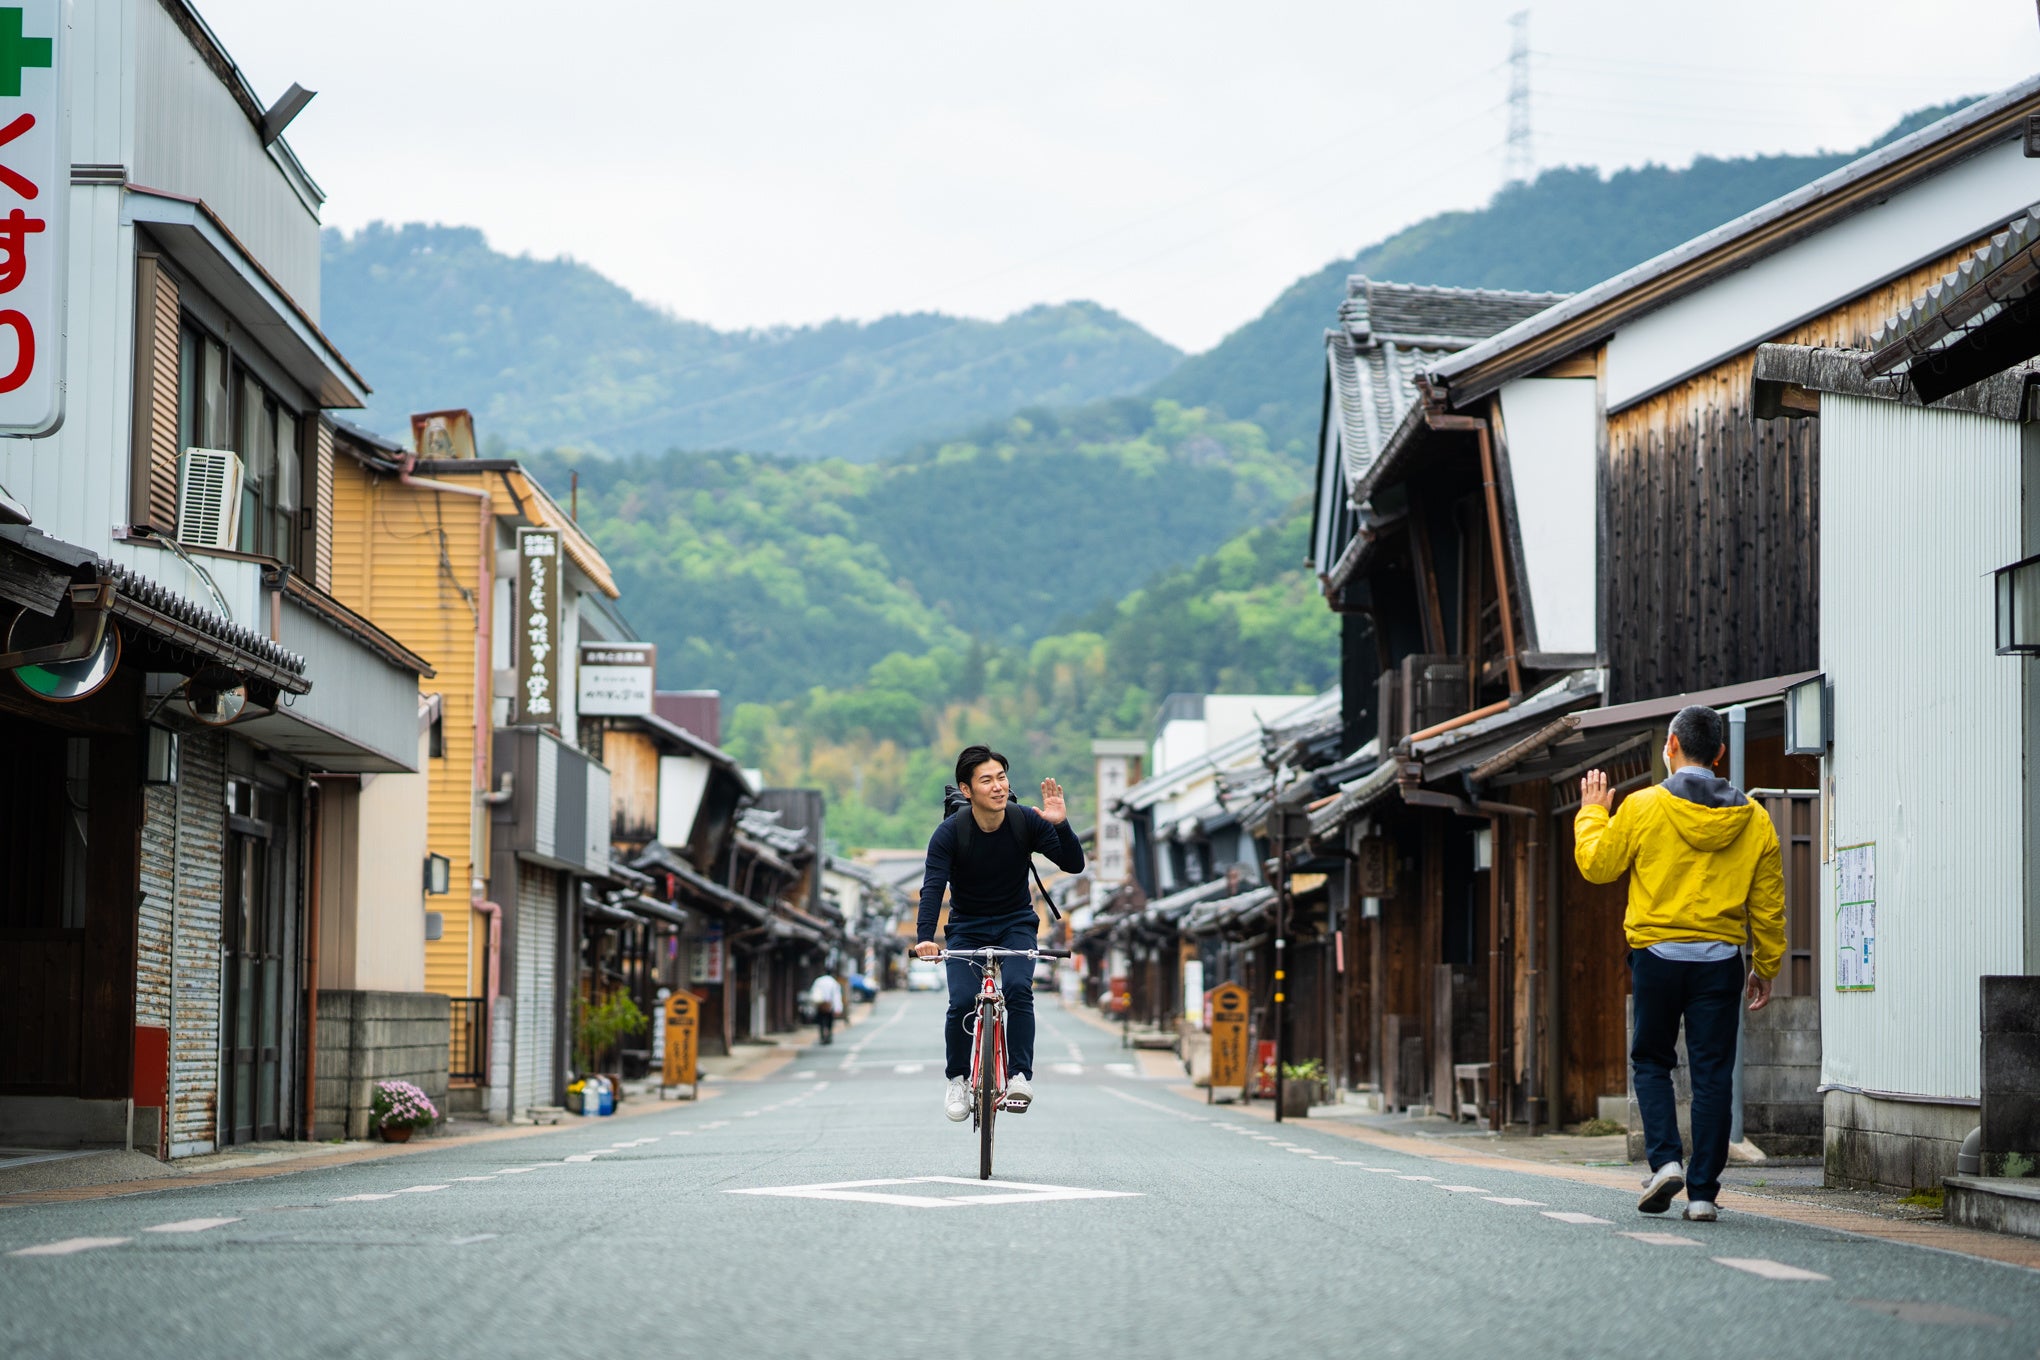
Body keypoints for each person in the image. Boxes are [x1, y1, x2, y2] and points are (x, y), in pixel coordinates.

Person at [1576, 705, 1785, 1223]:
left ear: (1671, 745)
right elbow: (1768, 904)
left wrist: (1593, 812)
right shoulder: (1754, 818)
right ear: (1719, 753)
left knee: (1652, 1061)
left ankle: (1666, 1162)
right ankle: (1702, 1194)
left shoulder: (1643, 805)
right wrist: (1766, 965)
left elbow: (1598, 866)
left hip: (1658, 956)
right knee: (1713, 1074)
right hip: (1720, 959)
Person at [916, 744, 1085, 1122]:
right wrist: (926, 937)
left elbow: (1073, 864)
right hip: (966, 927)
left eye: (1002, 778)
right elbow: (933, 887)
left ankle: (1019, 1075)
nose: (997, 786)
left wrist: (1060, 824)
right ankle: (958, 1079)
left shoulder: (1026, 821)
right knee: (962, 1000)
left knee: (1019, 989)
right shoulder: (949, 833)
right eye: (986, 780)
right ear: (966, 790)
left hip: (1016, 923)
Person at [809, 971, 844, 1045]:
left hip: (820, 1004)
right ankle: (829, 1035)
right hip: (829, 1004)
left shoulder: (818, 981)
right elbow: (836, 996)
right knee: (829, 1021)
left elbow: (813, 993)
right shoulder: (833, 982)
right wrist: (838, 1008)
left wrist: (812, 1008)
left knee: (821, 1021)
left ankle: (822, 1036)